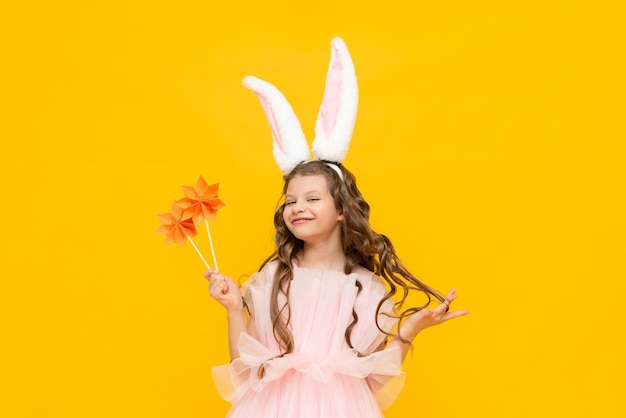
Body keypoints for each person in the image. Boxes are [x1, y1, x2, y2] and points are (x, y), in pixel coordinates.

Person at [204, 38, 469, 418]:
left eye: (312, 199)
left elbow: (374, 377)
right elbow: (247, 370)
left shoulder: (366, 286)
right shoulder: (273, 278)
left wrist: (412, 328)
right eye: (291, 201)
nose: (297, 208)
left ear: (342, 209)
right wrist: (232, 310)